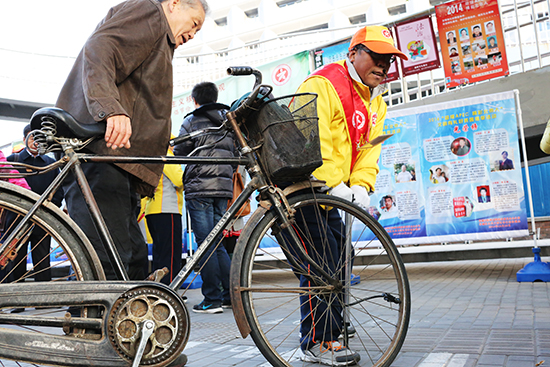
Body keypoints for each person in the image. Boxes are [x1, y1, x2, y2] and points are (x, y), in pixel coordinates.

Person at [55, 0, 208, 284]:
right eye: (195, 23)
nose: (193, 33)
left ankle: (117, 325)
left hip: (117, 158)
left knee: (131, 260)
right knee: (108, 261)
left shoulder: (160, 36)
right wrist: (110, 107)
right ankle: (92, 327)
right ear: (174, 4)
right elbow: (100, 48)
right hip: (104, 152)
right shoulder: (150, 12)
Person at [293, 25, 407, 365]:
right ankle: (319, 341)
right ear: (353, 53)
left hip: (332, 194)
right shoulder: (323, 84)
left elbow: (370, 151)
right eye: (375, 55)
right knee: (322, 262)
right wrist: (332, 182)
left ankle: (331, 326)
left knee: (343, 257)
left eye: (388, 58)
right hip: (301, 190)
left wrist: (361, 185)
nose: (383, 65)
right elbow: (310, 140)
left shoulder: (377, 104)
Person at [173, 81, 235, 314]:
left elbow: (179, 151)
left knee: (205, 244)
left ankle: (212, 299)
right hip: (223, 188)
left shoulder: (191, 121)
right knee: (217, 243)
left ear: (195, 99)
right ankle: (229, 295)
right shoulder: (228, 120)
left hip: (200, 188)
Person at [6, 125, 64, 287]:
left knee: (42, 258)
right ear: (24, 139)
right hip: (17, 218)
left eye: (40, 140)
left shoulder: (51, 164)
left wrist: (51, 208)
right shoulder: (13, 161)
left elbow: (58, 190)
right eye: (33, 138)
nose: (36, 143)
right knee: (16, 258)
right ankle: (17, 299)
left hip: (43, 218)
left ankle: (43, 300)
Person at [141, 146, 184, 286]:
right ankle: (170, 290)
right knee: (170, 256)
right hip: (167, 208)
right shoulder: (165, 153)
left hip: (153, 209)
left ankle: (159, 288)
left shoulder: (151, 152)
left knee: (159, 255)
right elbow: (179, 180)